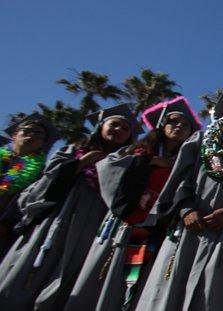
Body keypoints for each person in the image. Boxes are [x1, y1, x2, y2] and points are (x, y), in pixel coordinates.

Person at [136, 81, 223, 311]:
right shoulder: (201, 139)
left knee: (214, 292)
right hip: (189, 224)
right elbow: (181, 178)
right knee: (169, 288)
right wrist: (186, 209)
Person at [64, 97, 199, 310]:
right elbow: (110, 167)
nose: (179, 127)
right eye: (174, 122)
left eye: (185, 125)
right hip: (121, 222)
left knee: (134, 280)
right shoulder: (139, 149)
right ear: (162, 125)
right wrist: (151, 161)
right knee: (102, 272)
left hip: (154, 228)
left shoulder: (186, 161)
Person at [0, 104, 138, 310]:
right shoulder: (74, 150)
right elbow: (46, 183)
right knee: (30, 268)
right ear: (101, 127)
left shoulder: (128, 163)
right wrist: (82, 162)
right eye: (114, 124)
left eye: (125, 129)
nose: (118, 130)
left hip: (93, 226)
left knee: (69, 275)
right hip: (56, 218)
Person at [0, 113, 60, 257]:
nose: (31, 136)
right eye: (26, 131)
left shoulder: (41, 172)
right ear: (14, 135)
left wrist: (6, 224)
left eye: (38, 134)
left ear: (43, 143)